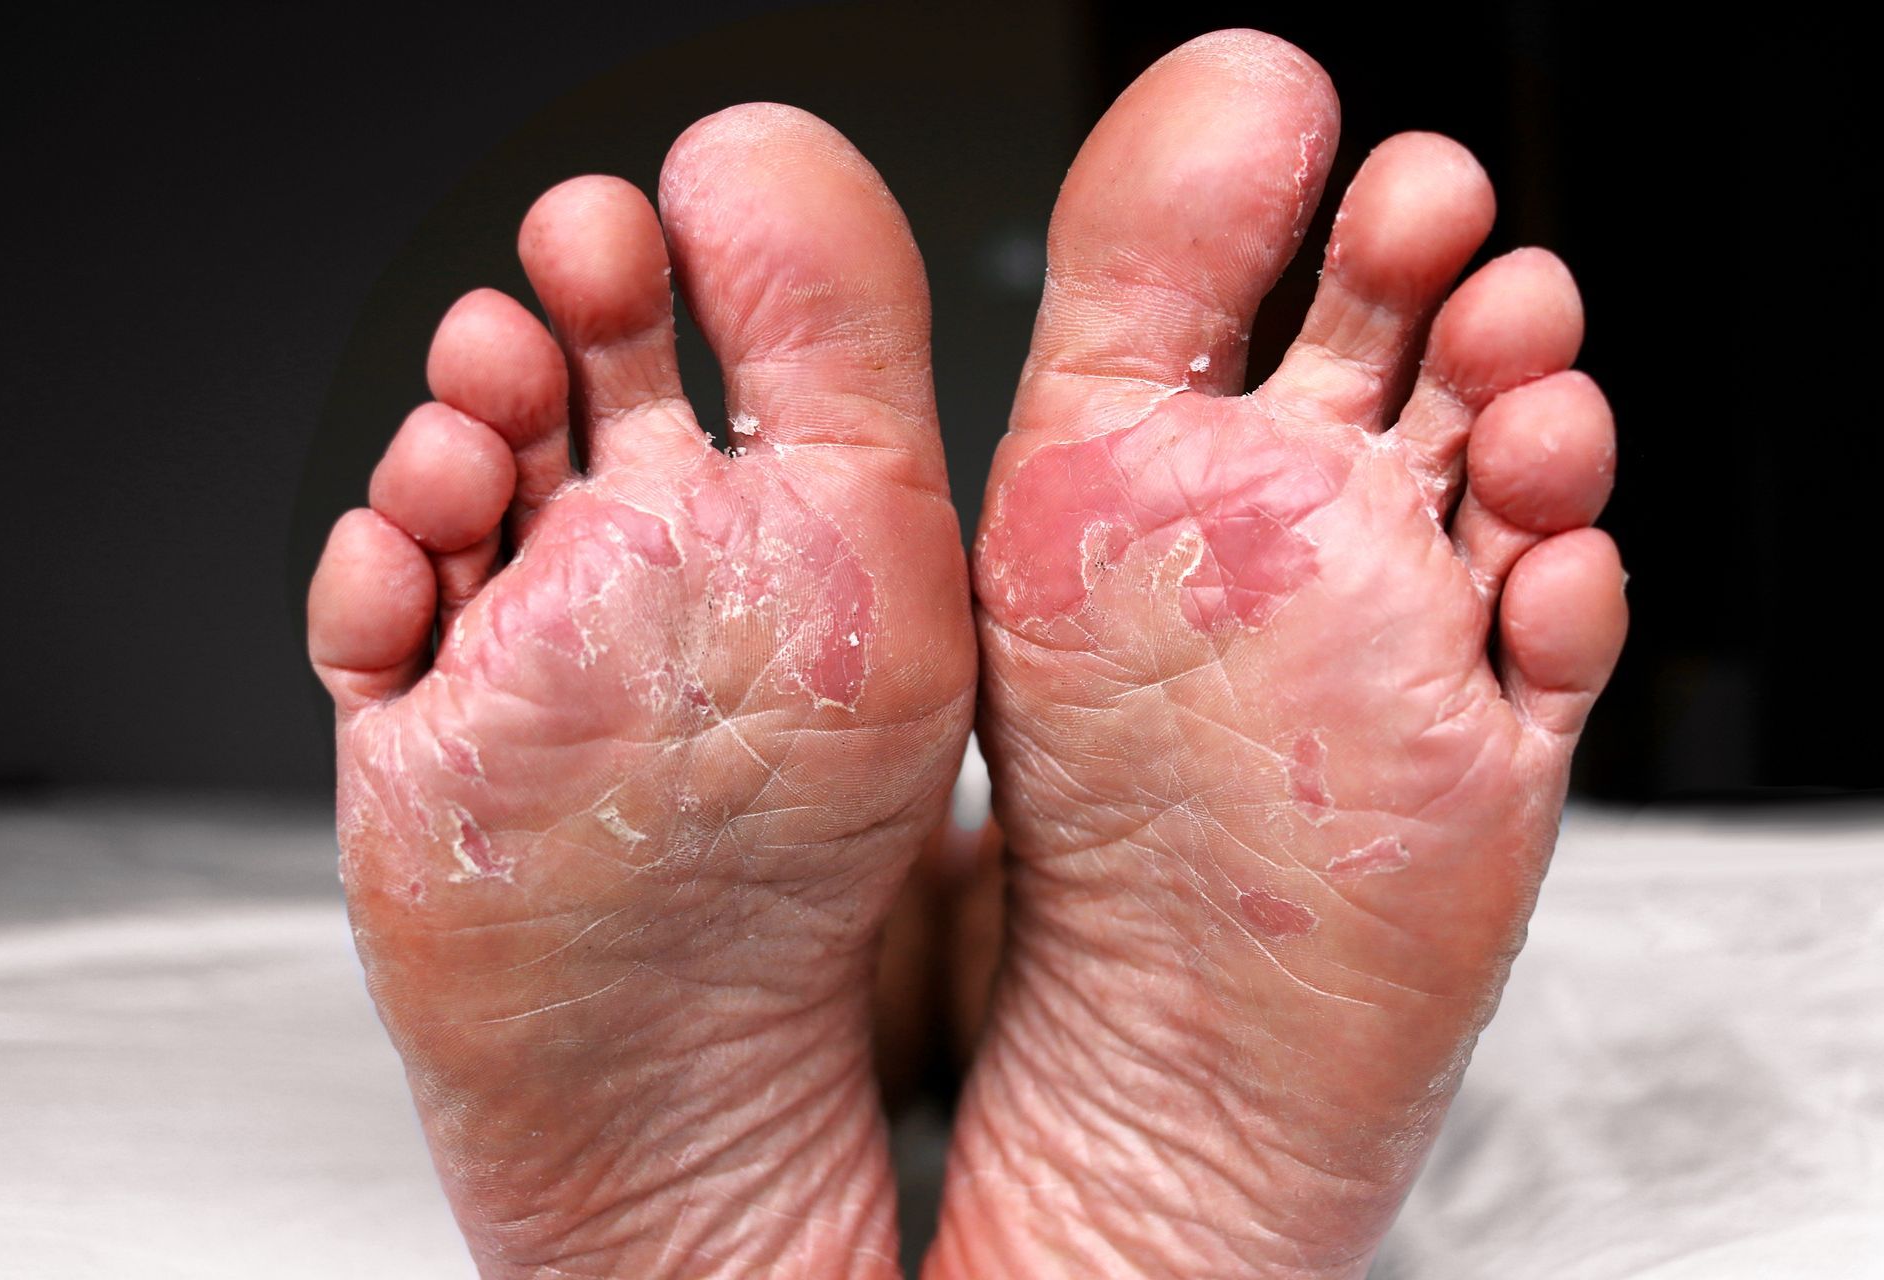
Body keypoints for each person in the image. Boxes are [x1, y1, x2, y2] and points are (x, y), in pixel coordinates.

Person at [305, 28, 1624, 1278]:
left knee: (900, 903)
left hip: (842, 890)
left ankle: (916, 974)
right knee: (968, 893)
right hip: (982, 884)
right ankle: (1003, 970)